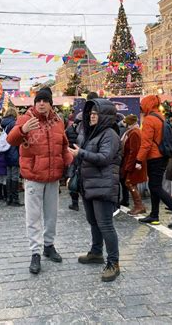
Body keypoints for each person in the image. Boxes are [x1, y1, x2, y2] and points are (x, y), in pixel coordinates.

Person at [7, 87, 73, 274]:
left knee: (51, 215)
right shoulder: (26, 119)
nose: (41, 104)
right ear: (35, 103)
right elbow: (11, 140)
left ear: (51, 103)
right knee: (33, 217)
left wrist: (69, 162)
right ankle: (35, 252)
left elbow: (64, 145)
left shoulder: (58, 122)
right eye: (39, 101)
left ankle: (49, 246)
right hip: (34, 177)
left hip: (53, 177)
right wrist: (22, 130)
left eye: (45, 100)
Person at [68, 99, 122, 282]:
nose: (91, 115)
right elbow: (80, 155)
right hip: (88, 184)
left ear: (104, 116)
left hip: (104, 184)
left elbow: (104, 158)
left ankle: (113, 263)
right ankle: (96, 252)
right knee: (93, 221)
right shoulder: (89, 133)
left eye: (96, 113)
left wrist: (80, 153)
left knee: (105, 224)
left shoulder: (109, 134)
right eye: (90, 112)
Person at [135, 95, 172, 228]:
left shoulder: (149, 120)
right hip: (162, 156)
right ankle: (154, 215)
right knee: (155, 186)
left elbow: (146, 144)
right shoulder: (160, 117)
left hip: (154, 157)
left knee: (155, 187)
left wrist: (138, 160)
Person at [121, 114, 147, 216]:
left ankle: (139, 206)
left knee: (129, 183)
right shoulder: (134, 131)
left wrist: (128, 166)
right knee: (131, 183)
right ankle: (139, 205)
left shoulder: (134, 133)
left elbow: (134, 151)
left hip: (134, 163)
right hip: (134, 162)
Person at [1, 107, 23, 207]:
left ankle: (9, 198)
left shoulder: (4, 124)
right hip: (15, 151)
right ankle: (15, 198)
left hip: (7, 152)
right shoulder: (14, 124)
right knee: (15, 176)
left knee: (9, 175)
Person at [65, 112, 82, 211]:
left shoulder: (69, 129)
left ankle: (75, 203)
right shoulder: (87, 129)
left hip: (72, 155)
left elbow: (65, 141)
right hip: (82, 156)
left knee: (73, 179)